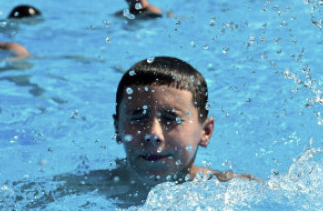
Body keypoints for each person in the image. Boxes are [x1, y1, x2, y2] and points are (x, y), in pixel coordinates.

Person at [109, 56, 258, 191]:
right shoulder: (92, 187)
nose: (153, 134)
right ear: (117, 128)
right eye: (138, 118)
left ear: (205, 132)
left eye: (171, 119)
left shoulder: (237, 191)